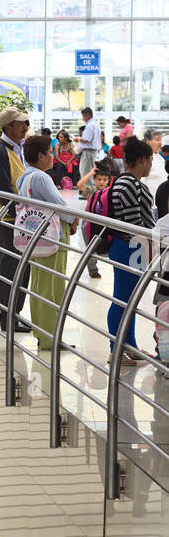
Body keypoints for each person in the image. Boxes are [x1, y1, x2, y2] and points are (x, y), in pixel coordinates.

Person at [15, 133, 77, 352]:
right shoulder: (41, 178)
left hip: (34, 237)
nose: (52, 157)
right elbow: (58, 204)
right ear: (40, 155)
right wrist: (74, 219)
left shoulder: (24, 177)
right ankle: (51, 337)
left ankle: (43, 333)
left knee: (40, 286)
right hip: (51, 238)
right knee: (53, 288)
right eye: (50, 153)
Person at [107, 136, 156, 365]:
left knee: (130, 299)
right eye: (150, 159)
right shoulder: (128, 184)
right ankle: (115, 349)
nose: (151, 164)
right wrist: (149, 242)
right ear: (143, 159)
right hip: (129, 247)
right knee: (122, 299)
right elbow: (133, 223)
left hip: (130, 247)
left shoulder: (127, 182)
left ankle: (130, 345)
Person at [0, 105, 30, 333]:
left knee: (22, 269)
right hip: (9, 220)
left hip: (21, 219)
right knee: (10, 268)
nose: (25, 127)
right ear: (8, 127)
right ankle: (7, 318)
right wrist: (22, 213)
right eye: (20, 123)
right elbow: (3, 191)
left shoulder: (17, 147)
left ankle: (15, 315)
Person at [77, 107, 101, 193]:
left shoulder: (90, 125)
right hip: (93, 152)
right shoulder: (95, 124)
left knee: (85, 171)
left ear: (87, 115)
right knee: (88, 171)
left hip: (89, 151)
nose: (82, 118)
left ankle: (88, 192)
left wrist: (78, 139)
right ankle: (90, 191)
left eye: (83, 116)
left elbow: (87, 139)